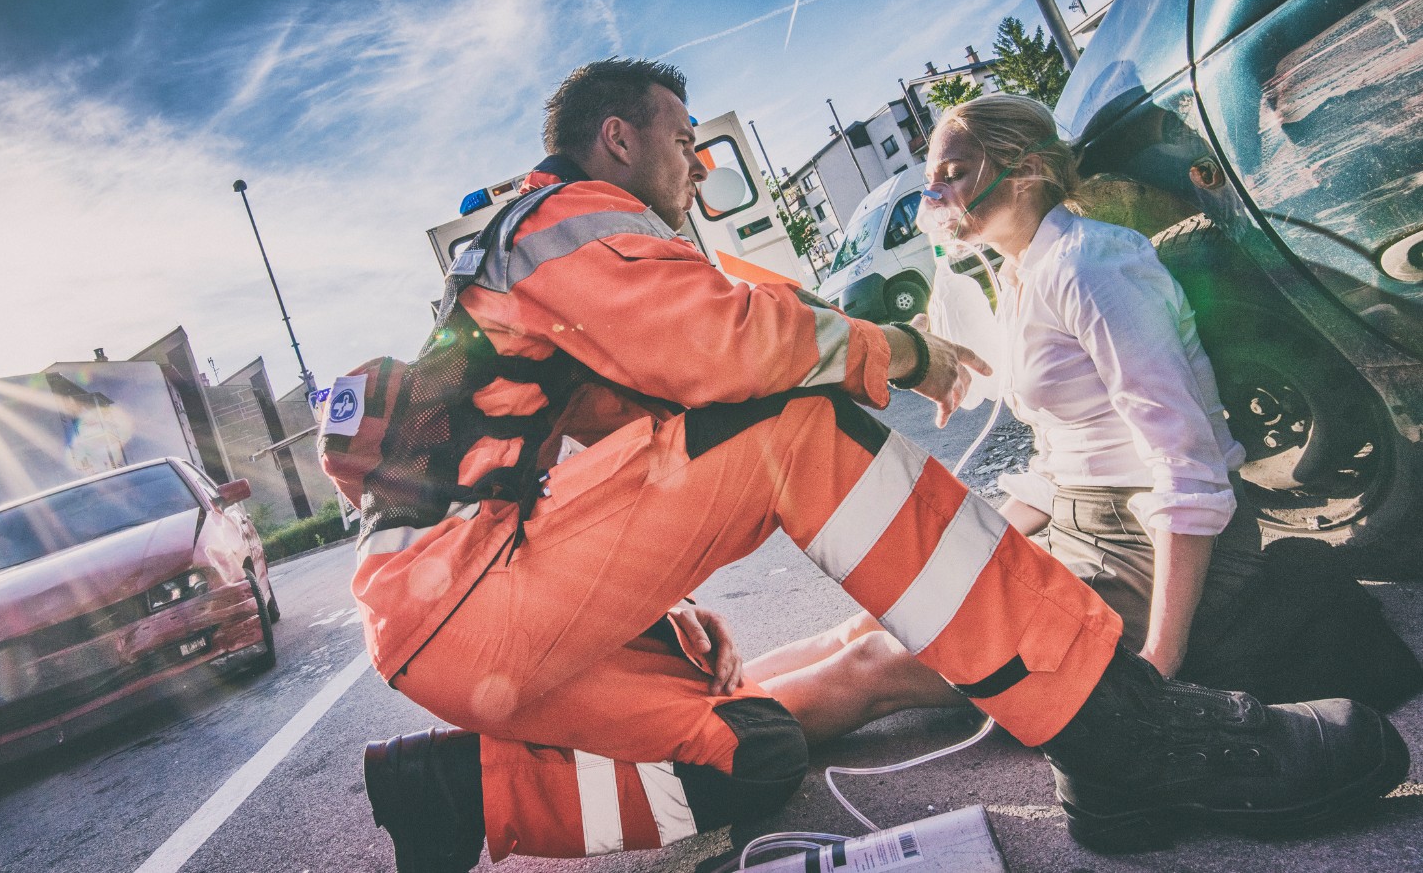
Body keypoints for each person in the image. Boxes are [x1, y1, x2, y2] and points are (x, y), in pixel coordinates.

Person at [335, 60, 1406, 872]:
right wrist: (896, 352)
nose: (695, 168)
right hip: (469, 594)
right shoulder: (565, 225)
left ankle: (460, 792)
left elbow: (638, 444)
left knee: (748, 753)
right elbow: (720, 355)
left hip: (465, 601)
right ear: (615, 139)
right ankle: (1122, 741)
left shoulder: (540, 246)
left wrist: (647, 619)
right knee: (797, 430)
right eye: (679, 143)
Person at [744, 92, 1282, 745]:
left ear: (1024, 170)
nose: (932, 199)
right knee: (875, 621)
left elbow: (1188, 467)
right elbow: (1060, 458)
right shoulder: (1021, 272)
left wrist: (1156, 672)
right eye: (930, 179)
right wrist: (970, 548)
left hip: (1148, 550)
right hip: (1081, 523)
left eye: (954, 174)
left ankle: (681, 761)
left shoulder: (1093, 268)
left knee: (873, 665)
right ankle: (688, 703)